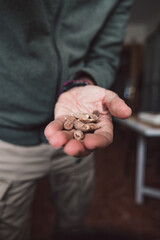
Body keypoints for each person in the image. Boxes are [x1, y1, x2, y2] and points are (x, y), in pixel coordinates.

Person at [0, 0, 132, 239]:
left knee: (73, 223)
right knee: (9, 229)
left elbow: (105, 55)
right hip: (9, 135)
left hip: (77, 145)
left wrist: (85, 82)